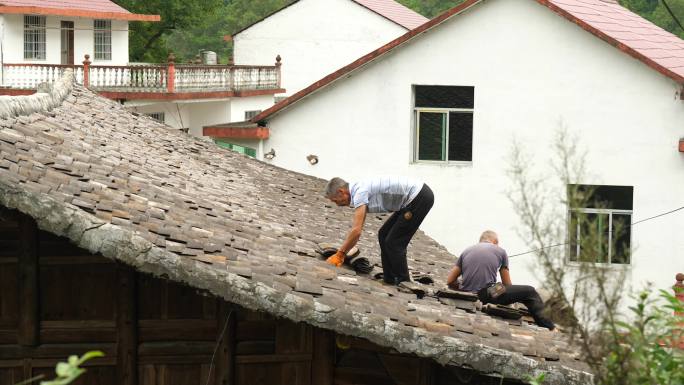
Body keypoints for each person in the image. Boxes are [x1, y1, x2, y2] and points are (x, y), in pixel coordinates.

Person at [324, 176, 434, 285]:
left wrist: (340, 255)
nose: (337, 205)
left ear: (341, 191)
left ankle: (404, 282)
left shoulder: (359, 192)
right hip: (411, 199)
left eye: (335, 200)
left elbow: (356, 231)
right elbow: (359, 227)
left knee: (394, 242)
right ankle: (389, 278)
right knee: (383, 234)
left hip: (420, 197)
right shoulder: (358, 190)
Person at [446, 230, 556, 330]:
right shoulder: (501, 251)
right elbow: (507, 284)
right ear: (496, 241)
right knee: (530, 291)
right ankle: (549, 326)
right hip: (487, 293)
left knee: (497, 285)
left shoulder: (466, 251)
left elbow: (450, 281)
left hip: (468, 293)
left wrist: (462, 285)